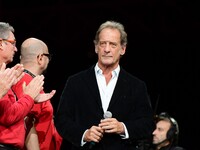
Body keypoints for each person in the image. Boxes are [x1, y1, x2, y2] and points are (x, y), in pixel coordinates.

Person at [55, 20, 155, 150]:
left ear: (123, 49)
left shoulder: (136, 85)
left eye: (113, 45)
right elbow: (61, 120)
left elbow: (148, 124)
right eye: (103, 44)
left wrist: (122, 127)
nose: (107, 49)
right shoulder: (75, 82)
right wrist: (84, 134)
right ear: (96, 47)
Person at [0, 22, 54, 150]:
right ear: (1, 43)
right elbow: (9, 116)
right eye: (13, 43)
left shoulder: (7, 78)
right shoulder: (24, 81)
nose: (15, 48)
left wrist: (29, 99)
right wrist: (29, 97)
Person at [12, 37, 62, 150]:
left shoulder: (21, 79)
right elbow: (28, 123)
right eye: (48, 57)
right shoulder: (27, 83)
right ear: (40, 58)